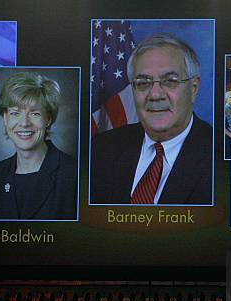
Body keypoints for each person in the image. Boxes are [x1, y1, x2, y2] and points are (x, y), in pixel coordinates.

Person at [91, 33, 213, 205]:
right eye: (143, 83)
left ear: (193, 88)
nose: (155, 94)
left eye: (170, 81)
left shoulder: (221, 155)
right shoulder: (101, 149)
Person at [0, 71, 78, 220]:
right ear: (5, 118)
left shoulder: (73, 174)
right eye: (15, 113)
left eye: (35, 113)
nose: (24, 123)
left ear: (48, 118)